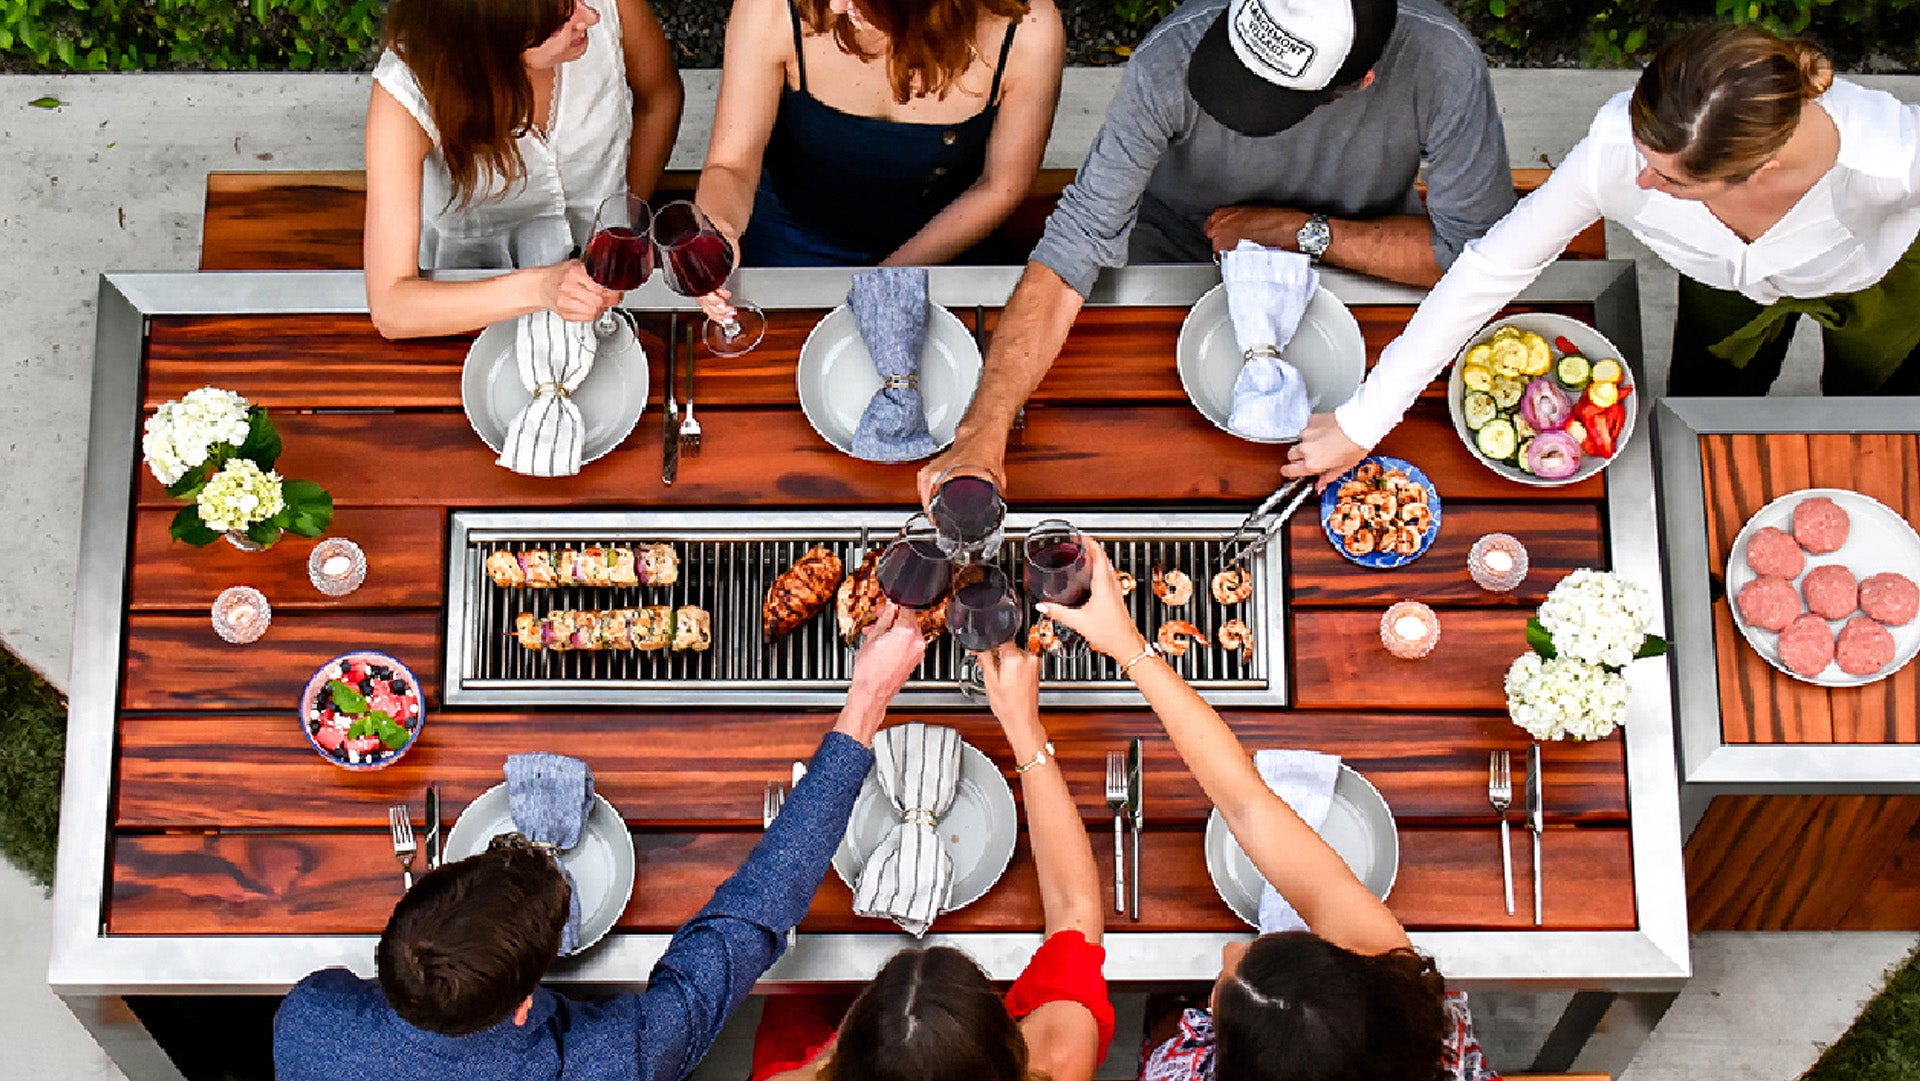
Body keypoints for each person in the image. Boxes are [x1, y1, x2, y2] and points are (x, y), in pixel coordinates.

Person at [271, 608, 928, 1081]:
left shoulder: (308, 1026)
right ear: (526, 1002)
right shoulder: (615, 1062)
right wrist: (867, 699)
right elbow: (747, 919)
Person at [915, 0, 1514, 503]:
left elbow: (1475, 253)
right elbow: (1076, 238)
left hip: (1349, 272)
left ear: (1361, 81)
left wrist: (1298, 231)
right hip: (1175, 256)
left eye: (1269, 101)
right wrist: (982, 431)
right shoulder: (1175, 50)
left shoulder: (1441, 62)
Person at [1285, 24, 1920, 485]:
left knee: (1870, 406)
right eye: (1644, 159)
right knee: (1706, 397)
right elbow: (1490, 270)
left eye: (1671, 183)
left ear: (1765, 168)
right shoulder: (1619, 148)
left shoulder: (1895, 159)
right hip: (1723, 283)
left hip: (1877, 279)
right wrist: (1361, 420)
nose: (1639, 185)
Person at [1041, 544, 1498, 1081]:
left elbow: (1246, 803)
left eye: (1220, 990)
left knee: (1162, 1003)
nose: (1232, 950)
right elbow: (1247, 803)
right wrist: (1129, 647)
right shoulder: (1395, 1002)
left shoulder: (1180, 1075)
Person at [745, 644, 1113, 1081]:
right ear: (1013, 1048)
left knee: (795, 987)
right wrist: (1025, 728)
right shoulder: (1057, 1063)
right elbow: (1074, 908)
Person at [362, 0, 684, 338]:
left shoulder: (608, 6)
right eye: (559, 21)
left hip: (607, 272)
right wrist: (541, 289)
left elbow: (660, 97)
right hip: (469, 294)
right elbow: (391, 307)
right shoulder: (406, 89)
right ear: (489, 40)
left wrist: (624, 215)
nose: (590, 16)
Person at [694, 0, 1064, 267]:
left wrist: (888, 278)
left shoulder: (1026, 30)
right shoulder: (775, 8)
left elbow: (1001, 185)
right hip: (793, 237)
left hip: (945, 244)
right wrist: (719, 225)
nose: (836, 5)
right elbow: (732, 161)